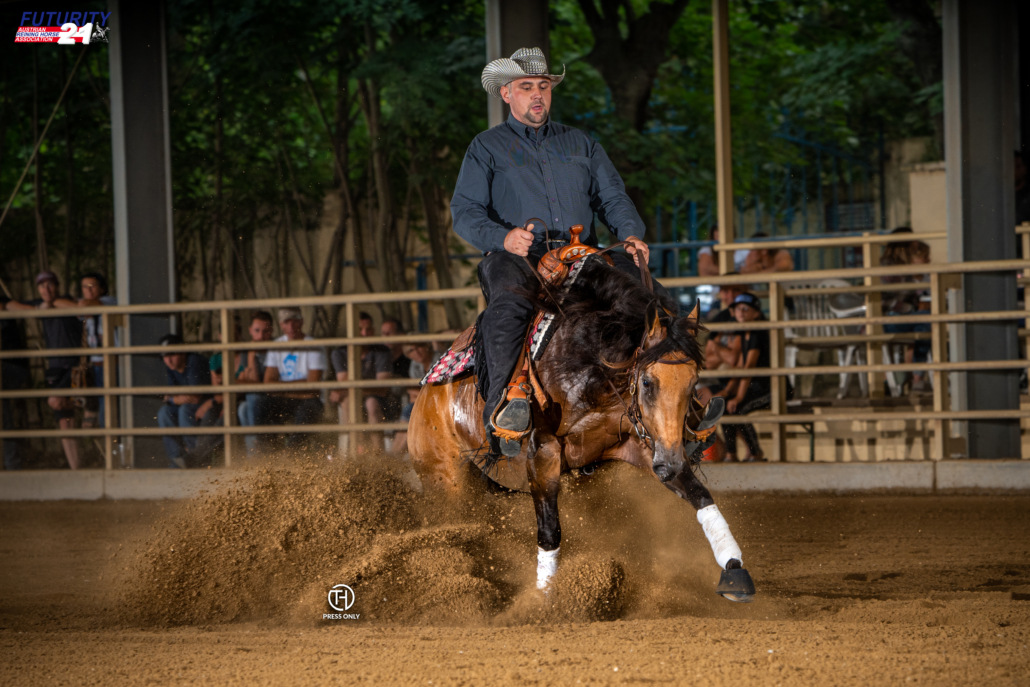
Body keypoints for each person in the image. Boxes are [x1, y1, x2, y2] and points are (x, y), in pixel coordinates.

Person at [452, 47, 664, 459]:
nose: (537, 95)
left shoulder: (581, 142)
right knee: (509, 308)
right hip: (515, 256)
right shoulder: (486, 147)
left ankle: (674, 404)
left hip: (581, 252)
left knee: (646, 297)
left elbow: (612, 197)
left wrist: (631, 234)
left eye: (543, 86)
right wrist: (502, 237)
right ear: (506, 94)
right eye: (526, 87)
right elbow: (464, 212)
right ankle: (502, 410)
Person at [3, 272, 83, 469]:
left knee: (56, 402)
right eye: (42, 286)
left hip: (73, 365)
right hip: (55, 369)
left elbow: (76, 306)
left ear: (57, 286)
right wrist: (39, 308)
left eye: (50, 285)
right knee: (65, 421)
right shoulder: (40, 305)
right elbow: (9, 305)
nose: (46, 290)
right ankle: (77, 469)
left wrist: (47, 307)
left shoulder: (65, 302)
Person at [716, 293, 774, 463]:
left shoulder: (757, 333)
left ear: (756, 314)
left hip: (772, 388)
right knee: (726, 406)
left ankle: (756, 453)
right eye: (738, 309)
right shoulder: (745, 333)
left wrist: (738, 396)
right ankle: (731, 454)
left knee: (739, 408)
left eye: (745, 309)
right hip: (757, 387)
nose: (740, 312)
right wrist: (727, 392)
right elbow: (741, 367)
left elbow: (748, 367)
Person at [330, 312, 395, 453]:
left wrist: (349, 388)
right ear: (352, 331)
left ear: (373, 331)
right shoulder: (339, 352)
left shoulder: (382, 351)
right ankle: (359, 449)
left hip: (380, 401)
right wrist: (351, 388)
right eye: (360, 330)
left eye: (369, 329)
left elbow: (382, 388)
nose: (365, 334)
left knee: (370, 402)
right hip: (357, 398)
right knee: (348, 399)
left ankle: (377, 454)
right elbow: (346, 384)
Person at [260, 308, 325, 449]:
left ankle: (290, 454)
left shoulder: (313, 345)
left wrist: (281, 389)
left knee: (308, 410)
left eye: (294, 322)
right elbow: (268, 383)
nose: (290, 327)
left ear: (301, 322)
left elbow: (313, 387)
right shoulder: (276, 345)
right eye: (286, 322)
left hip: (310, 400)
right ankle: (267, 452)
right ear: (281, 324)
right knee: (260, 405)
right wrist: (301, 387)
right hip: (298, 398)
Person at [880, 227, 932, 392]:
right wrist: (913, 307)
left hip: (901, 318)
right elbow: (885, 301)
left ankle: (914, 377)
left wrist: (916, 306)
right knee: (927, 322)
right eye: (914, 245)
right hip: (889, 320)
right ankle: (916, 377)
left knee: (927, 322)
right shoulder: (888, 267)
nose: (916, 249)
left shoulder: (903, 266)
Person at [157, 334, 210, 469]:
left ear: (182, 351)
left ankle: (196, 458)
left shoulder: (194, 361)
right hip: (192, 406)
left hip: (208, 406)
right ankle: (179, 459)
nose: (168, 360)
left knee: (185, 410)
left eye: (172, 354)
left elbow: (194, 397)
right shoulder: (171, 367)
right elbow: (169, 397)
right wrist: (175, 398)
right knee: (164, 412)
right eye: (164, 356)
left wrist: (173, 398)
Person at [77, 272, 117, 431]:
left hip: (114, 363)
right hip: (97, 363)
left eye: (92, 286)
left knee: (111, 408)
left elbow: (83, 306)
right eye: (85, 287)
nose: (89, 290)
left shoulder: (109, 301)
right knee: (103, 404)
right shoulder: (86, 306)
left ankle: (117, 448)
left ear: (102, 289)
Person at [236, 310, 274, 458]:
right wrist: (252, 354)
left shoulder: (276, 348)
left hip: (274, 396)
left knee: (251, 399)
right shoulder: (247, 351)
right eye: (257, 331)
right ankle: (255, 455)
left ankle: (256, 452)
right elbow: (253, 382)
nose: (261, 336)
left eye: (265, 331)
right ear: (250, 331)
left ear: (271, 331)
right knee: (243, 408)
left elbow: (255, 383)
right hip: (257, 398)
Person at [0, 296, 30, 470]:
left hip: (11, 367)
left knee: (5, 416)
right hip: (10, 369)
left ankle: (12, 462)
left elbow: (21, 307)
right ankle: (12, 462)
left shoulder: (6, 303)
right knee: (5, 415)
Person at [390, 341, 435, 456]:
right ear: (408, 355)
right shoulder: (415, 364)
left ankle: (395, 455)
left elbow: (437, 390)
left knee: (410, 409)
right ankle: (395, 454)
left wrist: (419, 394)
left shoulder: (439, 358)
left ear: (426, 346)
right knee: (411, 409)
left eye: (418, 346)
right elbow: (412, 392)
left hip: (439, 402)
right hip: (427, 403)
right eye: (411, 350)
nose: (416, 352)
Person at [186, 353, 228, 467]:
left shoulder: (245, 356)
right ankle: (201, 460)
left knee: (226, 417)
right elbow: (218, 391)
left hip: (239, 401)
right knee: (209, 414)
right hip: (224, 400)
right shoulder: (216, 359)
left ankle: (195, 456)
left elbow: (248, 388)